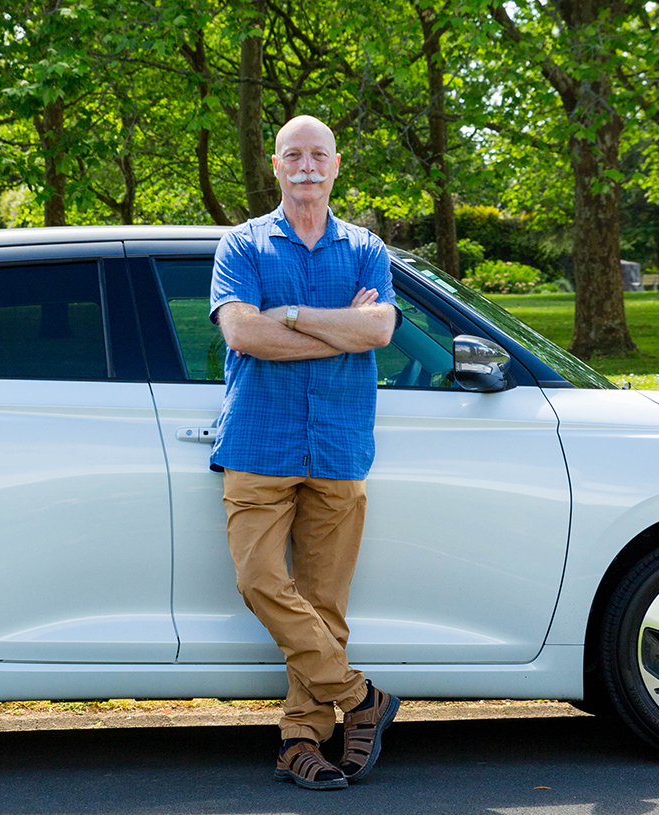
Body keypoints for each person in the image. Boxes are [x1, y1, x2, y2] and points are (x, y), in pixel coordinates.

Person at [209, 115, 403, 791]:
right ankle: (359, 697)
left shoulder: (366, 247)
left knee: (325, 604)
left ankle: (301, 740)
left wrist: (288, 314)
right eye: (294, 154)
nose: (306, 165)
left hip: (341, 444)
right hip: (259, 440)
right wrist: (339, 329)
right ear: (275, 165)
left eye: (318, 154)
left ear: (337, 164)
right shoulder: (243, 245)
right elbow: (243, 333)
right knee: (259, 578)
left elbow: (380, 327)